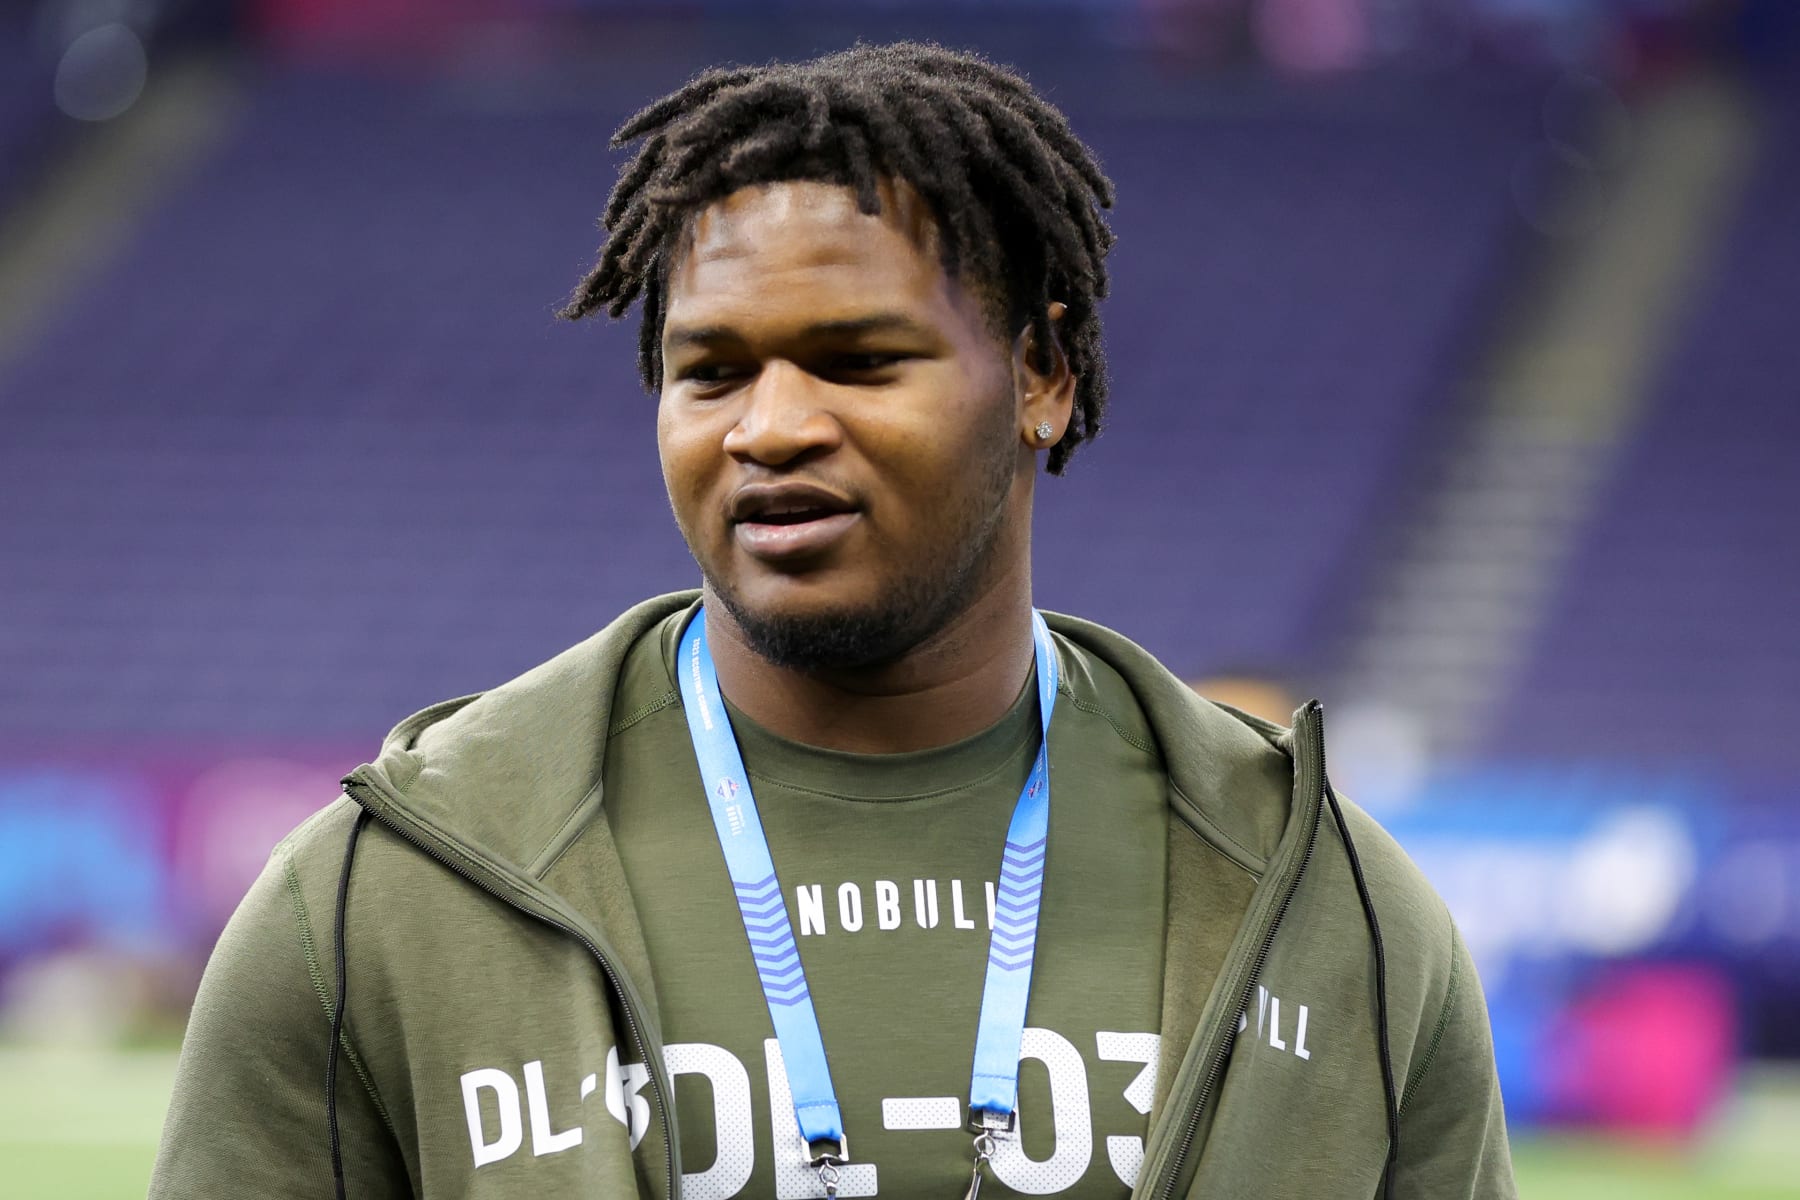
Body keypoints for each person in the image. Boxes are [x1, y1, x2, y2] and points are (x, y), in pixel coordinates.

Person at [149, 42, 1514, 1200]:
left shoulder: (1330, 906)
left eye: (861, 362)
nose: (775, 427)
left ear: (1040, 374)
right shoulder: (387, 897)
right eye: (712, 371)